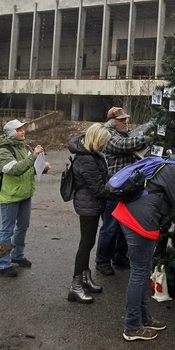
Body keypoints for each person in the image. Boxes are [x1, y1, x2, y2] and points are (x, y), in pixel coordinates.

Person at [112, 144, 175, 341]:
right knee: (139, 273)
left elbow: (174, 200)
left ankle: (145, 318)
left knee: (142, 271)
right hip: (140, 221)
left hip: (132, 213)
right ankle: (132, 326)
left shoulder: (169, 162)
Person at [95, 107, 148, 276]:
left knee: (125, 224)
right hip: (114, 188)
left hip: (128, 187)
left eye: (126, 119)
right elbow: (124, 145)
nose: (126, 122)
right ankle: (102, 261)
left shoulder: (125, 133)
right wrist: (150, 136)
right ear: (112, 122)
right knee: (110, 226)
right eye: (121, 120)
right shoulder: (108, 136)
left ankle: (119, 256)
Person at [0, 119, 50, 278]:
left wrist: (42, 168)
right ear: (11, 132)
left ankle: (17, 255)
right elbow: (16, 169)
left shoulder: (24, 147)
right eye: (19, 130)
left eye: (22, 129)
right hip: (10, 196)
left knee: (23, 226)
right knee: (7, 229)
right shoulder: (3, 151)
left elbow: (29, 169)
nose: (23, 132)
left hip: (25, 194)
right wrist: (33, 156)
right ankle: (4, 264)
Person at [66, 123, 112, 304]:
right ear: (96, 140)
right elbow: (98, 189)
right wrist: (119, 189)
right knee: (85, 244)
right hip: (88, 205)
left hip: (90, 204)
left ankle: (85, 278)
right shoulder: (86, 159)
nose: (105, 146)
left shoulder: (90, 154)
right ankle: (75, 286)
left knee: (89, 242)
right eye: (103, 142)